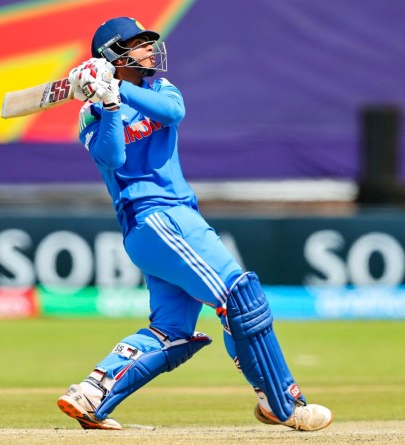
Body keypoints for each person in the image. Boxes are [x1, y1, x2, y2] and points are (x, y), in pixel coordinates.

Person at [57, 16, 333, 432]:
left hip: (166, 225)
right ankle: (284, 403)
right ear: (114, 54)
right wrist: (109, 103)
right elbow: (113, 157)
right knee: (240, 298)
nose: (150, 49)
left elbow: (174, 112)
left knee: (172, 331)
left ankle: (92, 394)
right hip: (157, 218)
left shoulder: (160, 90)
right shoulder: (92, 112)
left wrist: (118, 87)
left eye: (149, 41)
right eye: (139, 43)